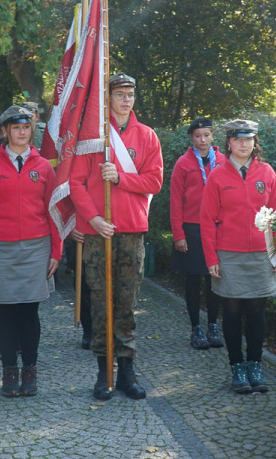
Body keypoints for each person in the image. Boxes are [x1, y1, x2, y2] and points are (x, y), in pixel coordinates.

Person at [69, 73, 163, 401]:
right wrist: (93, 219)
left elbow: (154, 182)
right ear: (106, 98)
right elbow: (76, 184)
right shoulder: (93, 137)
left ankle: (127, 372)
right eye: (119, 94)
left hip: (132, 231)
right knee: (100, 303)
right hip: (99, 232)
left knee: (126, 303)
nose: (125, 99)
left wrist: (120, 178)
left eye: (130, 94)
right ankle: (102, 372)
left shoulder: (148, 136)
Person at [0, 106, 61, 397]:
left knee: (30, 311)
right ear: (5, 131)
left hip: (37, 246)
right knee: (6, 312)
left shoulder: (44, 166)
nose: (22, 132)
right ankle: (9, 371)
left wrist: (56, 251)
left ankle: (30, 370)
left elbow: (54, 211)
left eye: (26, 127)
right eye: (16, 128)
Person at [200, 119, 276, 394]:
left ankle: (255, 366)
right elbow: (207, 219)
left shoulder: (267, 172)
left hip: (261, 253)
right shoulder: (217, 175)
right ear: (229, 143)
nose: (243, 144)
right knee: (233, 311)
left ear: (254, 142)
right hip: (229, 254)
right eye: (238, 140)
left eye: (248, 140)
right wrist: (211, 257)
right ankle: (237, 367)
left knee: (257, 311)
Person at [170, 117, 227, 350]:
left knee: (215, 280)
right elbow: (175, 201)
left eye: (206, 135)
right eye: (197, 136)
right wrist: (178, 234)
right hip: (192, 229)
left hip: (217, 228)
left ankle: (213, 325)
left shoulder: (223, 161)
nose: (202, 140)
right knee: (193, 281)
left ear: (212, 136)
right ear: (191, 138)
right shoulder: (183, 163)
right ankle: (196, 328)